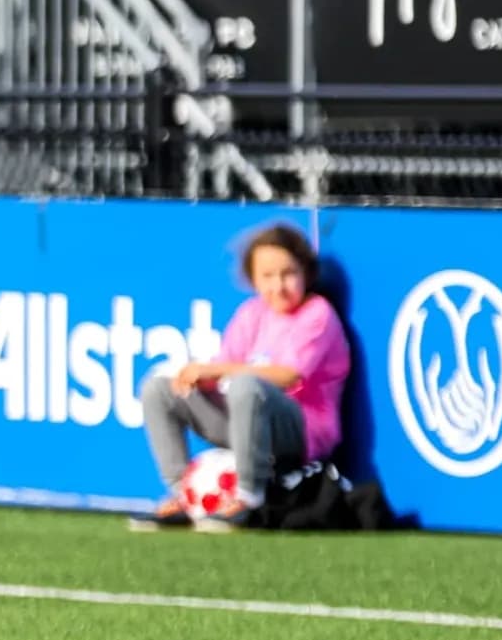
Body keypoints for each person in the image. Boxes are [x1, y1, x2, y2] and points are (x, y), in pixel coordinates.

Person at [132, 222, 351, 532]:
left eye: (288, 274)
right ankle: (185, 495)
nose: (278, 286)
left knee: (248, 386)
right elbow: (225, 370)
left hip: (300, 432)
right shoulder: (252, 313)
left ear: (306, 273)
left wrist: (214, 370)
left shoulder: (317, 314)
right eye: (267, 276)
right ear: (253, 279)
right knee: (158, 389)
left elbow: (287, 375)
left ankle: (248, 497)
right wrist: (197, 379)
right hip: (246, 422)